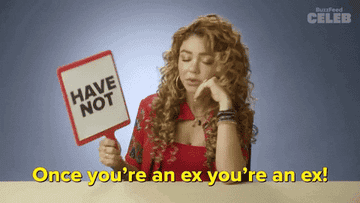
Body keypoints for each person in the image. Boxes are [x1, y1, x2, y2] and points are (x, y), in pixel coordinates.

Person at [98, 14, 257, 182]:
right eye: (186, 58)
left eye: (207, 61)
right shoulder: (151, 107)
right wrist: (117, 164)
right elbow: (134, 178)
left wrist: (225, 104)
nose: (192, 68)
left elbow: (233, 178)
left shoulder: (234, 114)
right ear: (176, 61)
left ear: (225, 67)